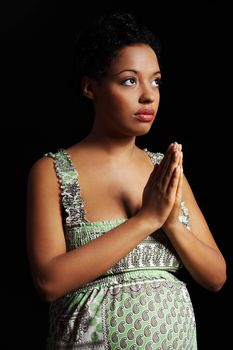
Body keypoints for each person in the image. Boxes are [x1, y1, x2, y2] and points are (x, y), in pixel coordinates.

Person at [26, 11, 227, 350]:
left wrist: (173, 224)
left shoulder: (165, 171)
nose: (148, 95)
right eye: (129, 80)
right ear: (91, 87)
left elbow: (216, 276)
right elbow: (48, 281)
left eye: (156, 81)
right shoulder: (51, 172)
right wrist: (147, 219)